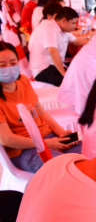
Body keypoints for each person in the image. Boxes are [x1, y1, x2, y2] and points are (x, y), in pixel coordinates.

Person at [0, 42, 82, 173]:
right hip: (24, 150)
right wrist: (46, 144)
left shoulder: (23, 81)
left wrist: (61, 133)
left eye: (13, 63)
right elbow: (6, 139)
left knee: (89, 155)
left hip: (48, 137)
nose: (9, 68)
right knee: (66, 169)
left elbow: (40, 112)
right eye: (2, 65)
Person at [28, 6, 90, 86]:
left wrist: (95, 42)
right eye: (72, 23)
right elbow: (53, 51)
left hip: (54, 66)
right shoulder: (49, 28)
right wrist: (64, 73)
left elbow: (76, 41)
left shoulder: (63, 29)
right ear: (63, 20)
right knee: (71, 82)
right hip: (43, 70)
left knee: (83, 68)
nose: (74, 26)